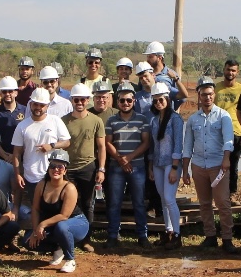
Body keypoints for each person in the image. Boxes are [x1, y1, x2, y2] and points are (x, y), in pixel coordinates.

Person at [182, 76, 238, 253]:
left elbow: (229, 141)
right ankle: (210, 236)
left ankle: (227, 238)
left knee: (223, 202)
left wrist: (226, 159)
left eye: (210, 94)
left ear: (214, 95)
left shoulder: (224, 116)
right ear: (199, 95)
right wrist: (186, 170)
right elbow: (187, 145)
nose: (207, 98)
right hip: (199, 165)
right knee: (205, 203)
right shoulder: (193, 120)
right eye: (204, 94)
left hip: (218, 165)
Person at [11, 87, 72, 228]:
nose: (38, 108)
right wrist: (18, 174)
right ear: (30, 104)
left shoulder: (55, 121)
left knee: (54, 209)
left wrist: (52, 145)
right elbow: (16, 153)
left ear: (47, 106)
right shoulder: (22, 126)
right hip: (32, 176)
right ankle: (38, 236)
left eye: (42, 105)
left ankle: (55, 241)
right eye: (35, 104)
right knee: (37, 209)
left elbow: (67, 142)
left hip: (53, 175)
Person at [104, 82, 152, 247]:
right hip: (116, 167)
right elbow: (107, 142)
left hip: (137, 166)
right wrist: (120, 159)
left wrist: (128, 158)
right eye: (122, 100)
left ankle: (142, 236)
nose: (125, 103)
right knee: (114, 202)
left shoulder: (142, 119)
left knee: (138, 202)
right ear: (117, 102)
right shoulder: (111, 120)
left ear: (134, 101)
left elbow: (146, 143)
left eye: (129, 100)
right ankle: (112, 235)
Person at [26, 150, 90, 273]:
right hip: (54, 225)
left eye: (60, 167)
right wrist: (35, 231)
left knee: (62, 227)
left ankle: (70, 259)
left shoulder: (69, 188)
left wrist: (42, 224)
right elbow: (35, 208)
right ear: (48, 168)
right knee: (27, 241)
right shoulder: (42, 184)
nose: (56, 169)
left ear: (65, 170)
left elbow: (64, 216)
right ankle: (58, 248)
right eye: (53, 166)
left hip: (76, 223)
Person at [62, 82, 106, 229]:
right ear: (71, 100)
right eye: (76, 99)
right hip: (68, 169)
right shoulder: (63, 121)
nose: (79, 103)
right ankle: (71, 233)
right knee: (69, 202)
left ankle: (86, 237)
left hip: (88, 168)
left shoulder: (96, 121)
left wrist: (101, 169)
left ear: (88, 100)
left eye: (83, 99)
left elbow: (101, 147)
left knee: (88, 203)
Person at [149, 82, 185, 249]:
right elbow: (153, 145)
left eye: (161, 99)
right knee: (163, 199)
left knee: (170, 199)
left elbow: (178, 145)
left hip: (171, 164)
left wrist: (175, 168)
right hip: (157, 163)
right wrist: (150, 166)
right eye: (155, 100)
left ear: (168, 99)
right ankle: (168, 231)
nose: (158, 103)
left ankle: (177, 235)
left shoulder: (175, 119)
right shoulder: (154, 120)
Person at [215, 59, 241, 193]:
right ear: (224, 70)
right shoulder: (216, 88)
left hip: (236, 131)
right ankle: (217, 193)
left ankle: (232, 194)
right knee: (217, 164)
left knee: (233, 164)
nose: (230, 72)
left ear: (237, 72)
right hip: (217, 132)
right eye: (228, 69)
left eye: (233, 70)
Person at [0, 76, 25, 157]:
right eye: (4, 91)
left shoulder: (25, 111)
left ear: (16, 92)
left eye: (10, 91)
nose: (7, 94)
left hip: (22, 158)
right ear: (0, 93)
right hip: (1, 158)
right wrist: (5, 156)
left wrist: (16, 156)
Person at [143, 41, 190, 107]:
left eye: (150, 57)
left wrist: (171, 109)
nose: (147, 59)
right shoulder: (145, 75)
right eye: (147, 56)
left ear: (159, 58)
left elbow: (182, 98)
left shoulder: (171, 75)